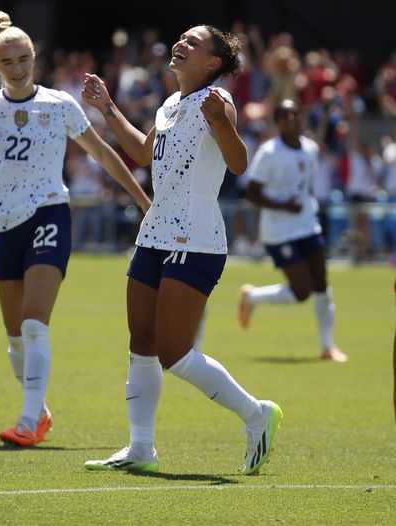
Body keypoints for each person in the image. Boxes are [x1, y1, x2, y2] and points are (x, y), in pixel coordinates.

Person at [81, 25, 281, 475]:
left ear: (212, 63)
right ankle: (141, 448)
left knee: (174, 353)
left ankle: (257, 414)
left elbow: (239, 162)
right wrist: (107, 107)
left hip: (195, 238)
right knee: (142, 344)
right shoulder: (172, 103)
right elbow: (143, 153)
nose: (181, 45)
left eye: (193, 43)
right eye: (182, 39)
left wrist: (219, 120)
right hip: (154, 234)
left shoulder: (218, 100)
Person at [0, 12, 151, 447]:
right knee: (13, 337)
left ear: (35, 56)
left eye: (24, 58)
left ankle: (27, 422)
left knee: (32, 323)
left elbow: (101, 154)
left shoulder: (59, 104)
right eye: (8, 62)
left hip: (49, 214)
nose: (19, 68)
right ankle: (39, 410)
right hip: (6, 225)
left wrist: (142, 201)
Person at [239, 99, 348, 362]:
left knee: (321, 283)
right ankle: (252, 296)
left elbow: (305, 185)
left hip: (307, 224)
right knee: (302, 292)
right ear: (277, 122)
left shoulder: (310, 149)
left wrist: (298, 206)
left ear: (302, 118)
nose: (292, 119)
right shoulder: (269, 152)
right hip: (278, 229)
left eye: (296, 114)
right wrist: (283, 206)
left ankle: (328, 346)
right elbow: (251, 193)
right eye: (285, 116)